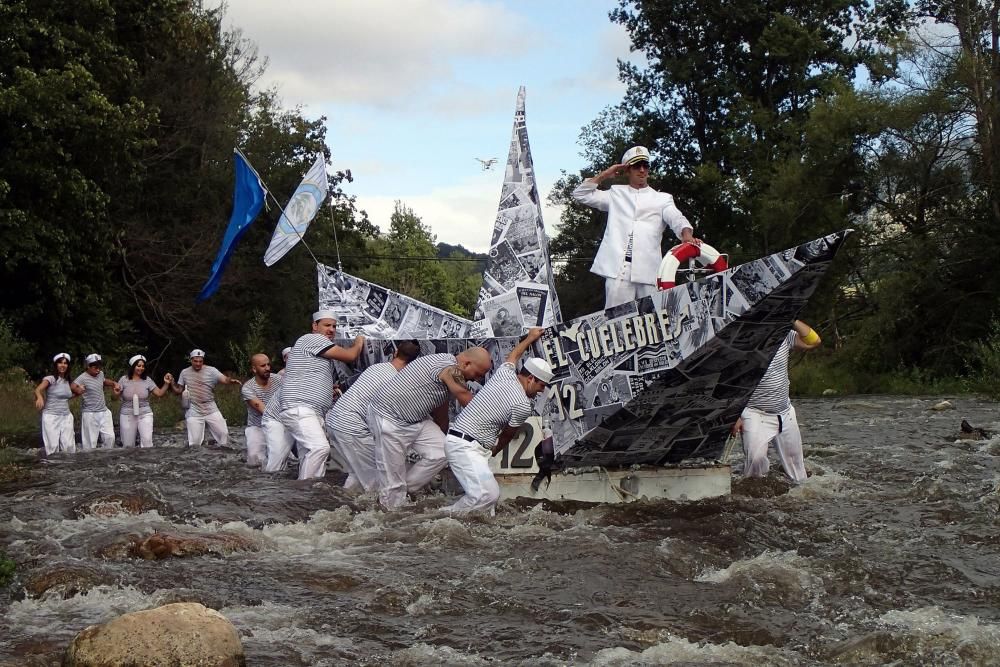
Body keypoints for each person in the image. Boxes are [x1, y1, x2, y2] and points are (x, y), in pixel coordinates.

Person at [572, 145, 703, 309]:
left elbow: (677, 218)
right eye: (636, 166)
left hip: (649, 270)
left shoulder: (662, 199)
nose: (642, 170)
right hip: (619, 271)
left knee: (654, 321)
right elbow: (580, 194)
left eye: (645, 165)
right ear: (627, 170)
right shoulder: (616, 193)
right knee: (616, 321)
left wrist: (686, 234)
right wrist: (606, 174)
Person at [369, 345, 493, 510]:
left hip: (416, 419)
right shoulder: (450, 368)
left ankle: (405, 490)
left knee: (442, 452)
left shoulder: (446, 372)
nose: (476, 380)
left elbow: (441, 414)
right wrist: (495, 418)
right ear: (466, 364)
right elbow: (467, 399)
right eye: (477, 374)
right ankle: (388, 514)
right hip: (390, 419)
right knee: (392, 486)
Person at [445, 328, 552, 514]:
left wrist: (531, 337)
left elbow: (514, 355)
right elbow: (507, 436)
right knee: (488, 495)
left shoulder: (505, 373)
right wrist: (495, 450)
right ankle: (439, 517)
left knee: (487, 507)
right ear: (531, 379)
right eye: (541, 385)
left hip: (465, 444)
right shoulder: (522, 406)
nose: (541, 391)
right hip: (465, 446)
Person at [274, 310, 365, 480]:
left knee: (310, 456)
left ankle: (305, 499)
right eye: (327, 325)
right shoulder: (312, 339)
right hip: (301, 409)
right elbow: (351, 356)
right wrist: (359, 341)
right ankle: (306, 492)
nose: (331, 329)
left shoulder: (318, 349)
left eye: (334, 326)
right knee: (319, 448)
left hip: (311, 410)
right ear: (315, 326)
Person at [733, 320, 822, 484]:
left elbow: (814, 341)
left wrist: (792, 320)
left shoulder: (784, 334)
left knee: (798, 475)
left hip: (784, 412)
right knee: (755, 466)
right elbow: (730, 378)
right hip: (753, 412)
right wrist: (735, 415)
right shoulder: (741, 338)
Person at [325, 340, 421, 492]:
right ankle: (373, 512)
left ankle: (343, 502)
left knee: (357, 474)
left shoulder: (376, 367)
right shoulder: (398, 381)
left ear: (395, 353)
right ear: (413, 363)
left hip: (334, 420)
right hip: (351, 426)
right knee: (376, 480)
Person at [169, 349, 241, 447]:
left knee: (223, 434)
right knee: (195, 442)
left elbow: (223, 379)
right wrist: (172, 382)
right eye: (195, 361)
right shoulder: (184, 372)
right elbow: (178, 390)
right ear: (191, 360)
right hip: (193, 409)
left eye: (200, 361)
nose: (198, 364)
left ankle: (222, 456)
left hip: (210, 406)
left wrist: (230, 380)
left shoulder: (211, 370)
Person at [114, 354, 173, 448]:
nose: (141, 368)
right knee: (128, 445)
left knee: (147, 442)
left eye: (143, 366)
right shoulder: (123, 380)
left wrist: (166, 384)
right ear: (133, 366)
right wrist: (116, 394)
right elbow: (115, 397)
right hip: (127, 414)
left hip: (145, 413)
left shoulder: (147, 380)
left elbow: (159, 393)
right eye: (138, 366)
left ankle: (148, 462)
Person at [34, 353, 83, 454]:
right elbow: (38, 389)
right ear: (56, 365)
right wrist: (39, 397)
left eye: (65, 363)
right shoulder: (50, 379)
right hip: (51, 416)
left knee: (69, 447)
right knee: (52, 446)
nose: (63, 365)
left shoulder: (68, 381)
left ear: (68, 366)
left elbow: (68, 397)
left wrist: (79, 392)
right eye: (60, 363)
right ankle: (52, 466)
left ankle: (67, 467)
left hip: (66, 416)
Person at [241, 354, 282, 467]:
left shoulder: (279, 380)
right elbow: (264, 410)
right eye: (263, 366)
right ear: (254, 369)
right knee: (254, 460)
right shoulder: (248, 388)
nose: (268, 368)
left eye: (268, 364)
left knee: (285, 458)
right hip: (257, 426)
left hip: (279, 424)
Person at [73, 353, 118, 449]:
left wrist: (113, 383)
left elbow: (104, 381)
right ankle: (90, 462)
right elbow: (72, 386)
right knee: (90, 443)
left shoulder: (100, 374)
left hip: (103, 411)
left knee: (110, 438)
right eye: (95, 367)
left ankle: (105, 457)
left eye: (99, 367)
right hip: (90, 413)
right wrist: (78, 390)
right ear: (88, 366)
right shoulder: (82, 377)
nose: (98, 370)